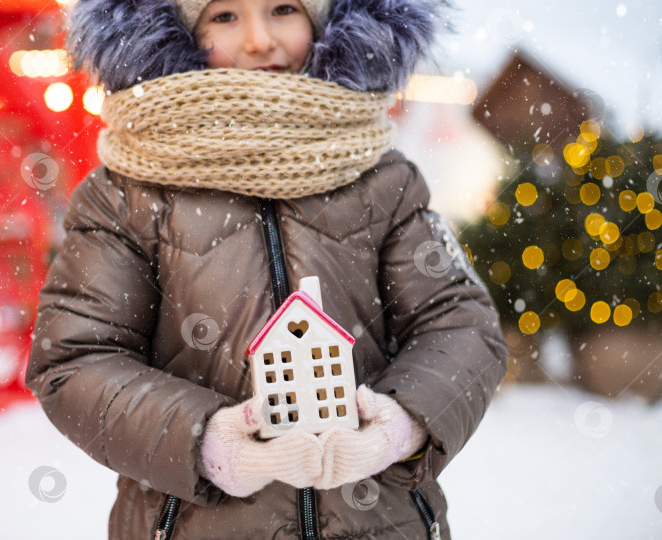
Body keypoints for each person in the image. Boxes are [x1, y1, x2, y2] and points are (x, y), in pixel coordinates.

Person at [25, 0, 508, 538]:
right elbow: (74, 358)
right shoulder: (126, 194)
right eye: (224, 16)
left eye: (283, 8)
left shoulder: (383, 179)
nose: (258, 40)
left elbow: (459, 322)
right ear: (178, 33)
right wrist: (205, 440)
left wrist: (401, 423)